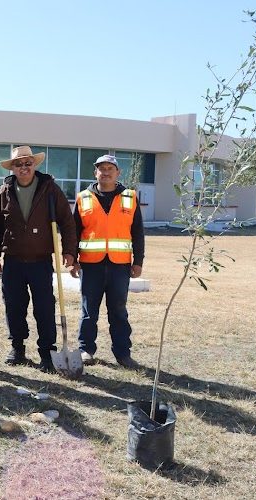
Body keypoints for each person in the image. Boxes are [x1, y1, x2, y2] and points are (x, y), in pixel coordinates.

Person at [0, 146, 77, 373]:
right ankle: (17, 349)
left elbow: (67, 222)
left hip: (41, 261)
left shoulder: (50, 189)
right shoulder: (3, 192)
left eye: (28, 163)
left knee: (45, 308)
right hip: (13, 261)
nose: (24, 167)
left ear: (34, 165)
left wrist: (70, 251)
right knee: (14, 306)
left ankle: (47, 352)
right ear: (13, 168)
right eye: (19, 164)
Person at [71, 154, 144, 369]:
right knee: (88, 311)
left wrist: (138, 261)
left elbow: (138, 232)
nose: (105, 172)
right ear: (95, 173)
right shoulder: (83, 197)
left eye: (110, 168)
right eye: (101, 168)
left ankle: (123, 354)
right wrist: (73, 260)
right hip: (90, 264)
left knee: (119, 311)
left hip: (119, 265)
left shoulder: (130, 197)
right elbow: (74, 232)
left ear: (117, 172)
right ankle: (86, 350)